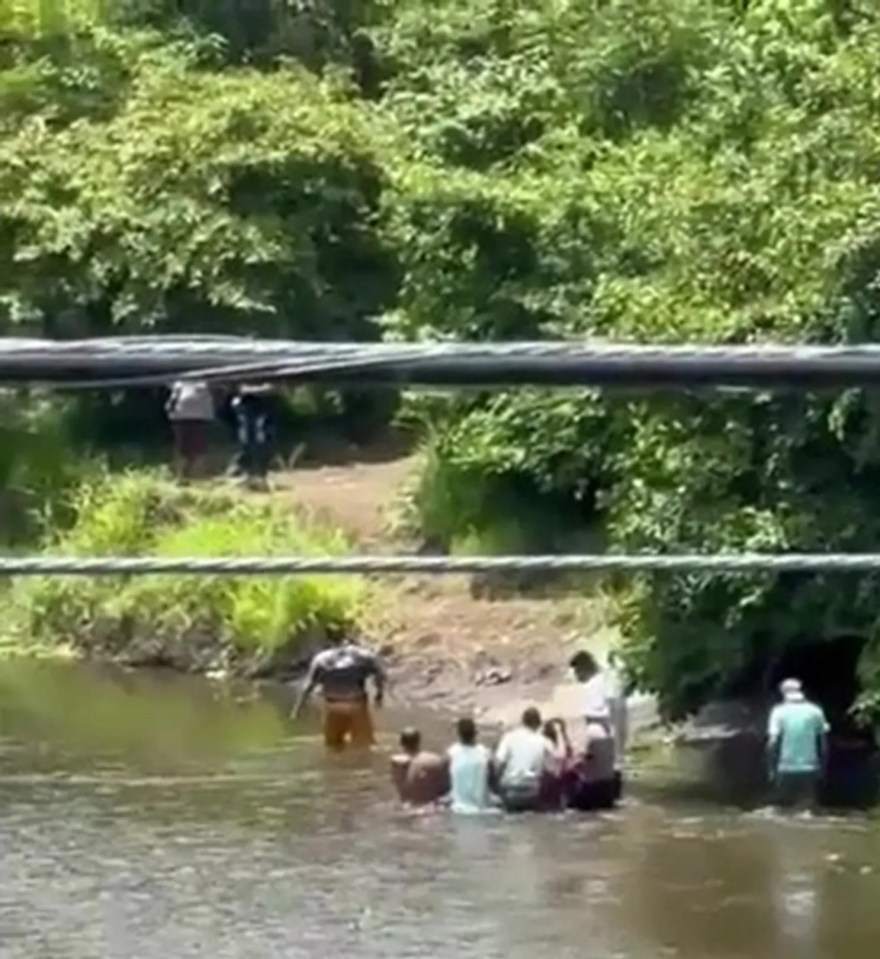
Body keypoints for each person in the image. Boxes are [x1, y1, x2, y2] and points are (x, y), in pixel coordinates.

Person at [291, 628, 385, 752]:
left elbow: (308, 686)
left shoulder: (320, 659)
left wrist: (297, 709)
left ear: (329, 641)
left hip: (333, 705)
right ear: (348, 638)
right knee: (364, 746)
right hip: (356, 704)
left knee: (332, 747)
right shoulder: (364, 655)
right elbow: (380, 675)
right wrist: (379, 694)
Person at [767, 678, 830, 812]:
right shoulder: (815, 711)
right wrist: (822, 768)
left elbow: (772, 744)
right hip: (810, 769)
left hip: (785, 769)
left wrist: (772, 768)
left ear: (783, 694)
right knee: (807, 809)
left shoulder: (778, 712)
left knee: (783, 811)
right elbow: (824, 745)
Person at [493, 707, 555, 812]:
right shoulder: (544, 741)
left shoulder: (509, 737)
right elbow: (551, 770)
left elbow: (498, 764)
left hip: (510, 789)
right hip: (533, 790)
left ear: (522, 722)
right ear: (539, 724)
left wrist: (496, 787)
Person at [166, 379, 215, 479]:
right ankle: (181, 474)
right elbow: (172, 400)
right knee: (182, 448)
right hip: (181, 417)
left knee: (197, 447)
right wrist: (170, 412)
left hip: (198, 418)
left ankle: (195, 473)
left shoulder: (204, 382)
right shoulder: (179, 383)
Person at [230, 384, 275, 489]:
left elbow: (271, 388)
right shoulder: (241, 404)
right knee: (248, 450)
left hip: (257, 430)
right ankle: (249, 477)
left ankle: (259, 477)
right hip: (249, 431)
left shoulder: (261, 405)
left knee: (259, 451)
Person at [390, 728, 449, 807]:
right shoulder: (434, 760)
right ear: (419, 741)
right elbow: (446, 789)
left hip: (407, 808)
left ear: (401, 744)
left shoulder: (396, 765)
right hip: (431, 808)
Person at [447, 717, 493, 813]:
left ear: (458, 733)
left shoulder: (450, 754)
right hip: (482, 808)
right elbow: (493, 782)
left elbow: (444, 784)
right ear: (476, 733)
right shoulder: (485, 754)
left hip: (457, 809)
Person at [540, 718, 575, 810]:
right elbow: (561, 756)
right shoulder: (546, 746)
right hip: (552, 785)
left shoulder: (544, 744)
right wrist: (561, 733)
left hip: (554, 786)